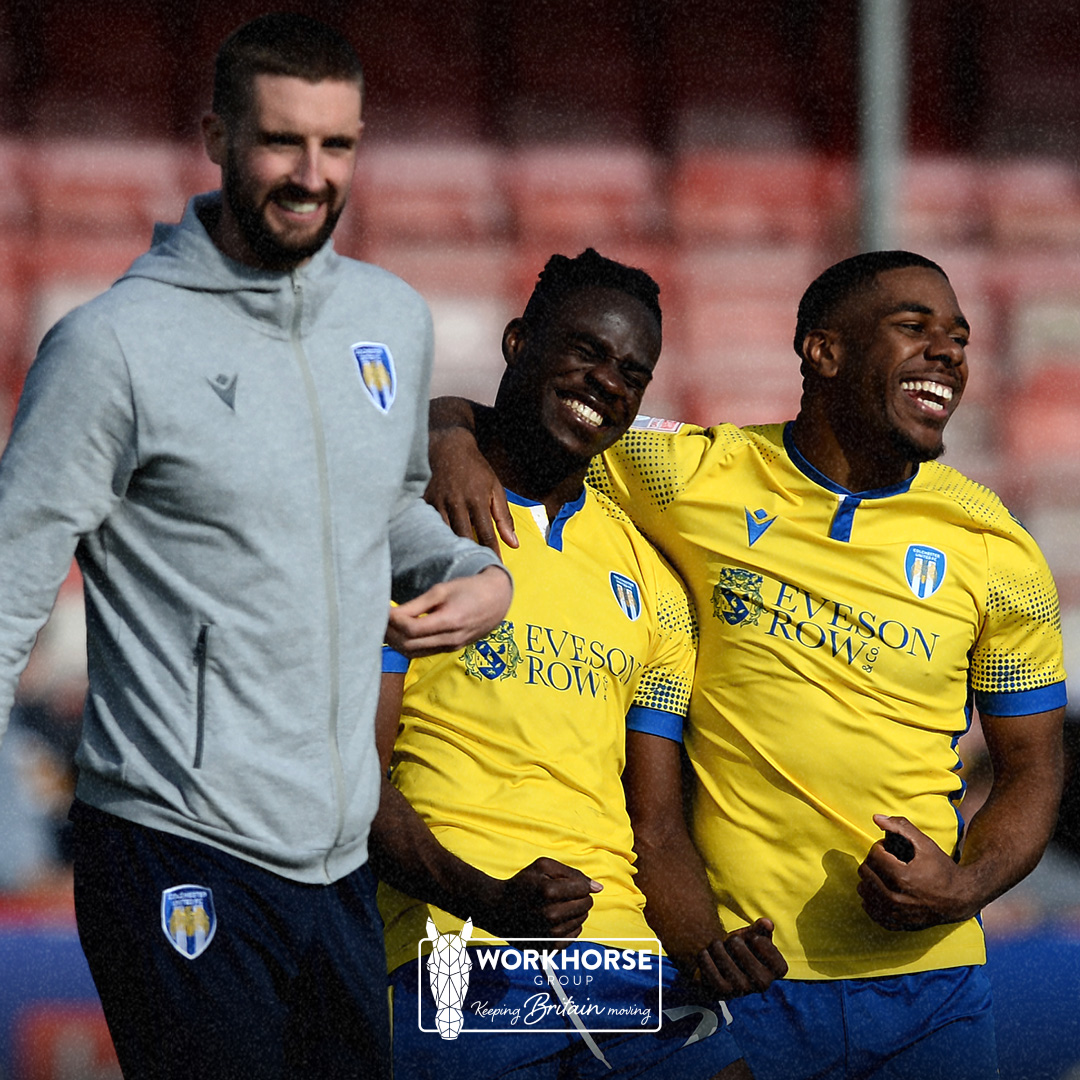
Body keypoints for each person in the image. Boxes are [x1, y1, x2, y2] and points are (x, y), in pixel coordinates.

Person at [0, 14, 510, 1080]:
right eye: (282, 141)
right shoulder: (113, 347)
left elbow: (386, 510)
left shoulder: (388, 317)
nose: (311, 175)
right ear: (218, 137)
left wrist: (480, 578)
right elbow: (10, 577)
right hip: (174, 844)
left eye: (338, 146)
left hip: (337, 861)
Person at [426, 250, 1067, 1080]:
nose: (948, 351)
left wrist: (966, 885)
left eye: (959, 338)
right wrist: (448, 433)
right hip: (744, 978)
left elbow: (1032, 769)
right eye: (915, 328)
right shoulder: (688, 470)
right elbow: (534, 410)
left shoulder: (999, 548)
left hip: (931, 990)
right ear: (823, 351)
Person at [371, 249, 786, 1080]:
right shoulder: (411, 524)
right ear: (518, 342)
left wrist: (710, 952)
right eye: (587, 352)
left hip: (624, 961)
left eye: (632, 372)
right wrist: (488, 900)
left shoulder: (651, 576)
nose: (608, 382)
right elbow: (352, 776)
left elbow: (657, 827)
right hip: (449, 952)